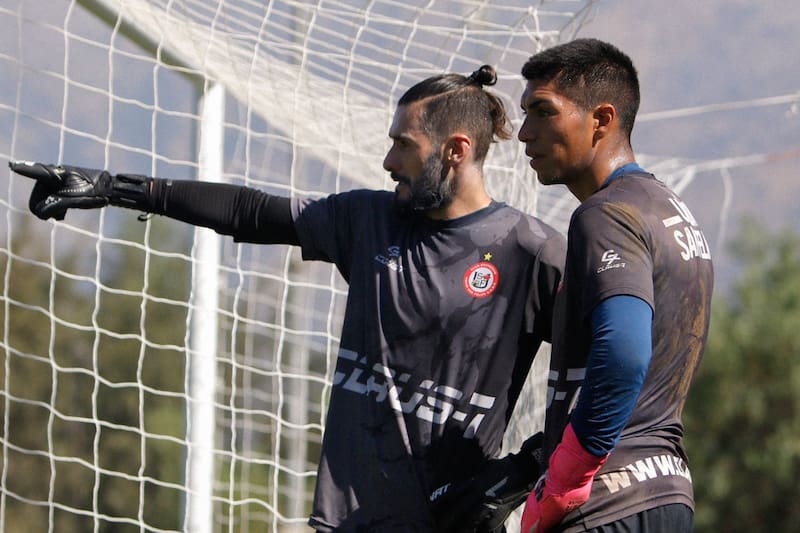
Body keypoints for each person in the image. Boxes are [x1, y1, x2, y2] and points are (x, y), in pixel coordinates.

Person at [9, 65, 566, 532]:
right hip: (345, 522)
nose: (388, 161)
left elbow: (617, 378)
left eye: (403, 144)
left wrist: (521, 471)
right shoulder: (367, 220)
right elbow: (251, 212)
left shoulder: (531, 254)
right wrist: (111, 186)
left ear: (455, 150)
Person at [515, 38, 714, 533]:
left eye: (543, 112)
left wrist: (562, 483)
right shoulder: (670, 209)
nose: (524, 132)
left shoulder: (605, 214)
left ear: (601, 120)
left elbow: (624, 353)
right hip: (666, 492)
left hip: (608, 502)